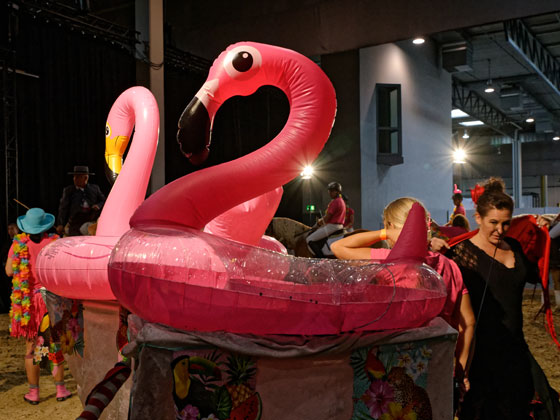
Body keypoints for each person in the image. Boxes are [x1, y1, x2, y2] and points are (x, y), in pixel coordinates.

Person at [331, 197, 475, 397]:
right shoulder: (449, 266)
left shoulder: (387, 260)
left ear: (391, 226)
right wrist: (461, 371)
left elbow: (338, 247)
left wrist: (383, 233)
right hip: (440, 364)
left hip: (394, 367)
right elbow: (468, 324)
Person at [447, 178, 560, 420]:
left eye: (506, 223)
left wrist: (543, 234)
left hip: (516, 349)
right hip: (481, 356)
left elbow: (535, 273)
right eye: (493, 223)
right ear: (478, 218)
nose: (500, 230)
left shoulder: (515, 247)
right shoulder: (460, 254)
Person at [5, 208, 72, 404]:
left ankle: (33, 393)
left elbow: (9, 271)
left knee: (32, 346)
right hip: (51, 300)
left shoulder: (18, 245)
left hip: (29, 304)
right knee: (54, 343)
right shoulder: (54, 243)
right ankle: (60, 389)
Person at [56, 165, 105, 236]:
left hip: (91, 220)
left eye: (78, 177)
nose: (74, 179)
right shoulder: (69, 190)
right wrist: (60, 224)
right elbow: (63, 208)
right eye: (74, 176)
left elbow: (103, 200)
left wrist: (98, 205)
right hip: (75, 222)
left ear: (85, 178)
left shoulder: (95, 189)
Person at [305, 182, 346, 257]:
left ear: (337, 192)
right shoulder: (341, 201)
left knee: (309, 239)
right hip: (339, 226)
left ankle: (321, 259)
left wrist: (318, 224)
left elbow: (327, 218)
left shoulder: (335, 202)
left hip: (332, 226)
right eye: (329, 191)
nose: (330, 193)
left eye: (332, 191)